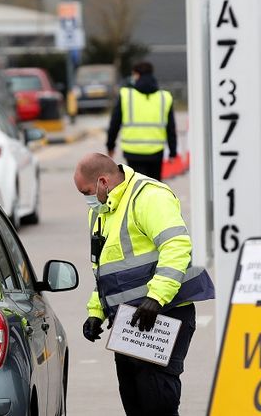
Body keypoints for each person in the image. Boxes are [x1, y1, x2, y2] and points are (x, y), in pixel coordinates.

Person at [73, 152, 214, 416]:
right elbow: (105, 271)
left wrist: (156, 297)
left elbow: (176, 245)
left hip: (164, 313)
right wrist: (96, 312)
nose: (87, 199)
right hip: (130, 320)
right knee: (135, 402)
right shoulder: (102, 211)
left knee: (158, 401)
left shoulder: (149, 196)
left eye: (87, 192)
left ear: (103, 182)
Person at [106, 62, 177, 180]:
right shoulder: (164, 97)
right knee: (154, 187)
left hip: (133, 153)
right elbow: (171, 128)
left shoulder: (126, 95)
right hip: (156, 153)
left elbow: (115, 123)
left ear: (137, 75)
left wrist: (110, 146)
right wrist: (172, 152)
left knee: (136, 188)